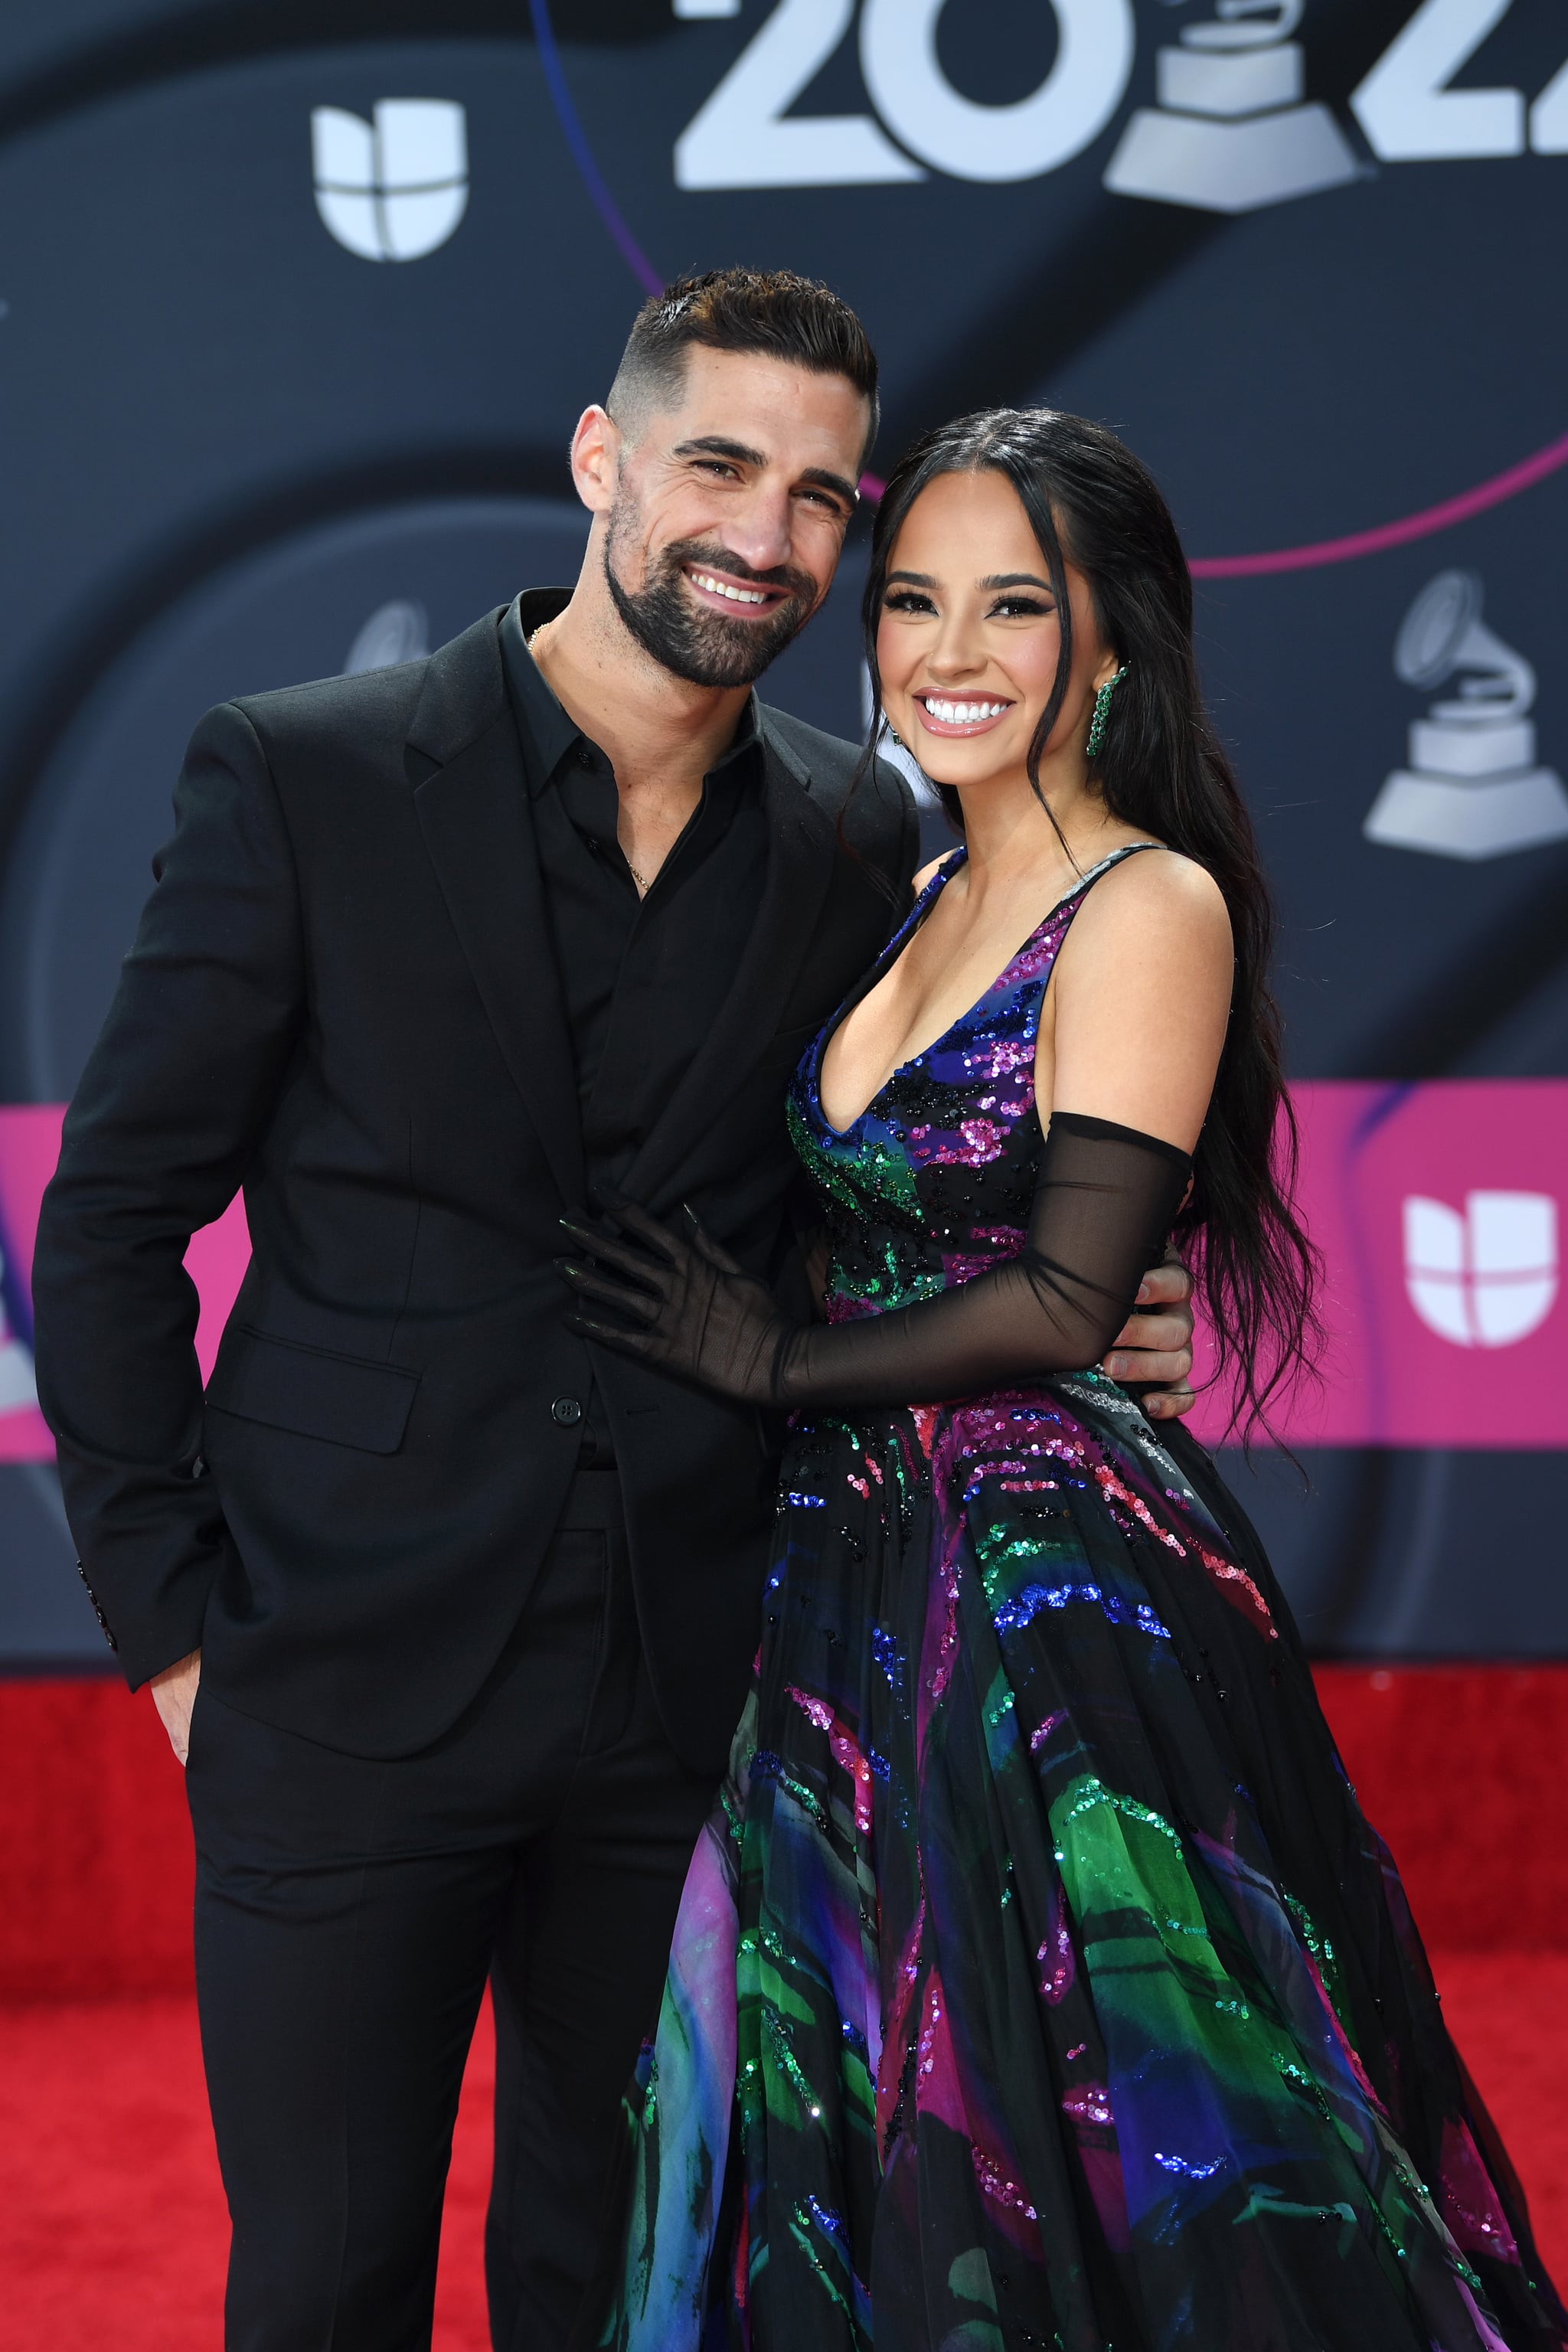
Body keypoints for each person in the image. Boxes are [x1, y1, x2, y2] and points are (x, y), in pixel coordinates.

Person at [29, 276, 1197, 2351]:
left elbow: (896, 1189)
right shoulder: (304, 779)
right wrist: (180, 1639)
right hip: (337, 1691)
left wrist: (1093, 1310)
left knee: (631, 2287)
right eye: (719, 466)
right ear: (604, 459)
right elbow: (108, 1228)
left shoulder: (865, 839)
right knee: (321, 2286)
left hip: (701, 1698)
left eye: (820, 494)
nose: (764, 534)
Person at [560, 408, 1566, 2351]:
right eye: (915, 598)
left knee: (1118, 2129)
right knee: (868, 2112)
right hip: (840, 1584)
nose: (947, 650)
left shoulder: (1146, 900)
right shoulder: (914, 896)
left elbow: (1069, 1288)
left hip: (1047, 1607)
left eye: (1014, 605)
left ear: (1112, 647)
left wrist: (775, 1357)